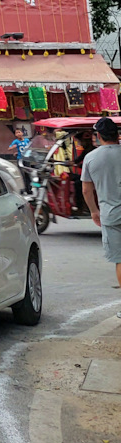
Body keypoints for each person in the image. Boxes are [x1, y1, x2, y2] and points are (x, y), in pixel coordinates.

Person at [81, 117, 121, 314]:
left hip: (111, 215)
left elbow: (87, 191)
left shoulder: (91, 158)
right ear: (117, 136)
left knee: (120, 260)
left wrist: (93, 211)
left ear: (98, 136)